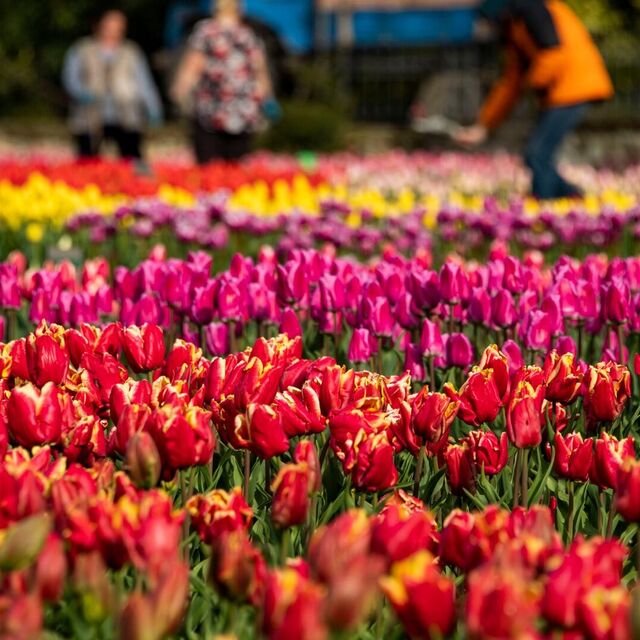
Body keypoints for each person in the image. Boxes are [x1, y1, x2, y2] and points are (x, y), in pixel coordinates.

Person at [454, 0, 613, 200]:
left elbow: (554, 55)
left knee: (537, 154)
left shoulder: (534, 9)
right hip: (559, 93)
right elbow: (511, 83)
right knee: (537, 155)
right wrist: (483, 125)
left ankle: (545, 203)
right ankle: (572, 197)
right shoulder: (514, 28)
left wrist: (532, 84)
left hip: (576, 87)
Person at [171, 0, 274, 164]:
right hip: (243, 109)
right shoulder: (248, 35)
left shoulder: (206, 31)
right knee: (236, 164)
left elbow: (193, 65)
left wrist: (179, 90)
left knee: (209, 163)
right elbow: (260, 71)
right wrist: (266, 98)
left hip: (213, 106)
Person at [62, 10, 163, 160]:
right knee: (87, 158)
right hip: (90, 114)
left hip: (126, 114)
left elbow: (144, 84)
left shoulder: (131, 52)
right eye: (110, 25)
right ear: (99, 26)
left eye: (119, 26)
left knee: (131, 158)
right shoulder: (82, 49)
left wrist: (154, 108)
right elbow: (70, 78)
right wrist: (79, 93)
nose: (114, 30)